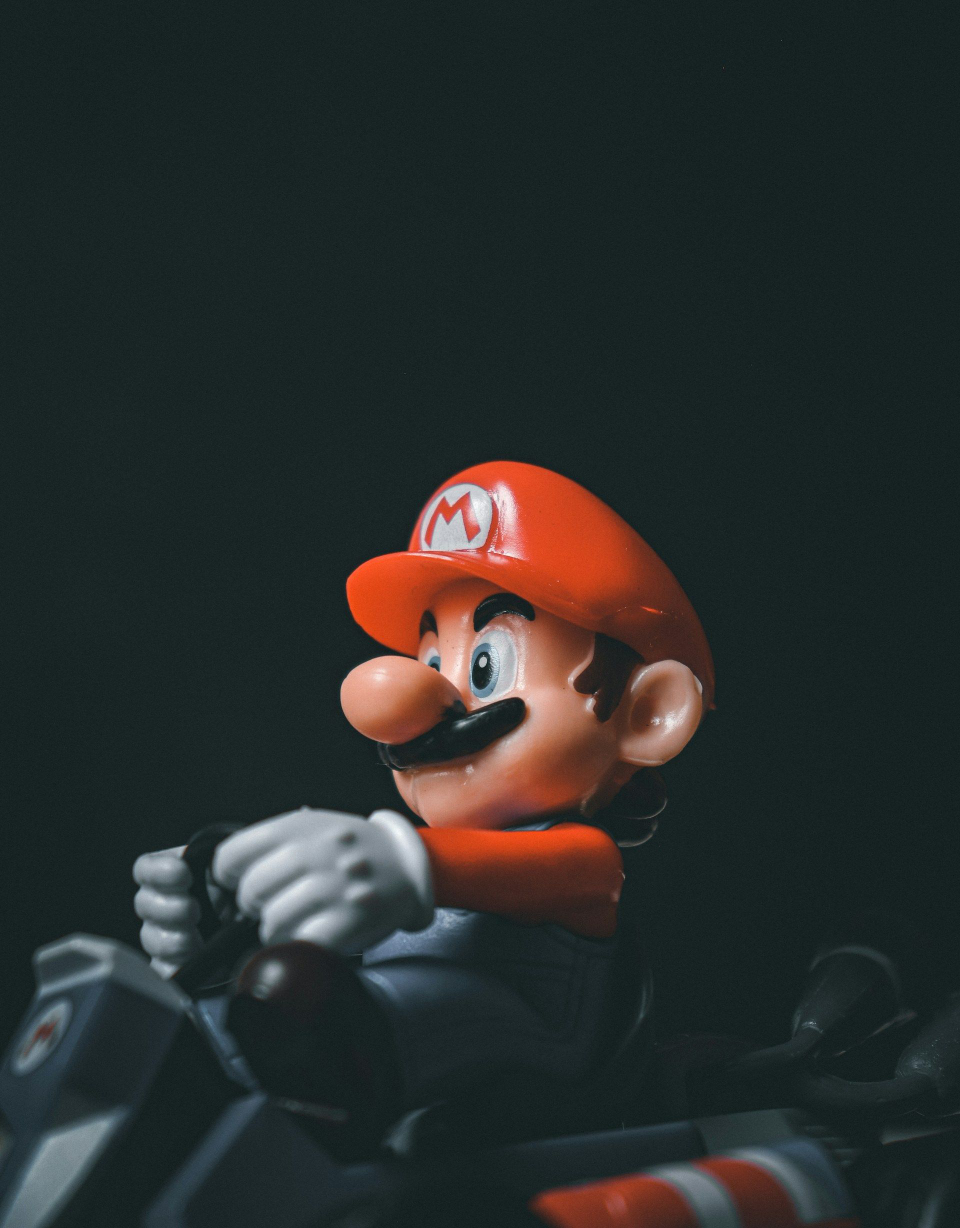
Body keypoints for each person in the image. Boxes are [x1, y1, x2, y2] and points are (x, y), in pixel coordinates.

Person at [133, 462, 713, 1136]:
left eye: (486, 667)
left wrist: (403, 862)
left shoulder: (584, 862)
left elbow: (479, 875)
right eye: (432, 661)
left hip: (528, 1053)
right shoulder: (403, 861)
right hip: (393, 1015)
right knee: (198, 1027)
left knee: (343, 1003)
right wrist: (223, 923)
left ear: (647, 714)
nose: (417, 702)